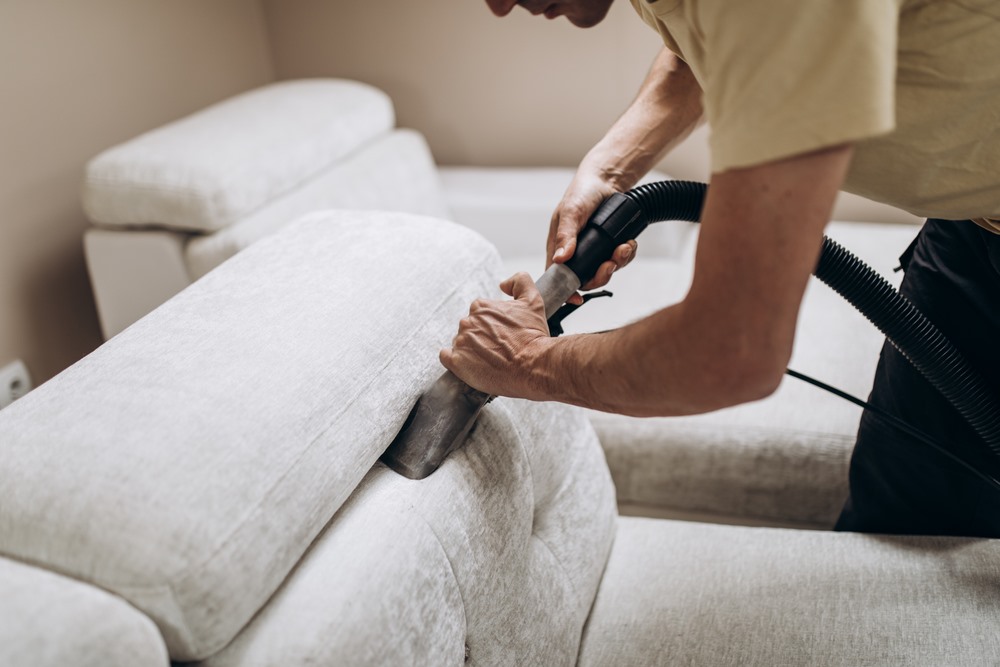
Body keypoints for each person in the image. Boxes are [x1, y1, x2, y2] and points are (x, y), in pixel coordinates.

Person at [441, 0, 1000, 537]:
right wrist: (610, 169)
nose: (495, 6)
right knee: (898, 526)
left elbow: (732, 350)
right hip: (970, 227)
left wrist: (529, 362)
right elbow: (702, 49)